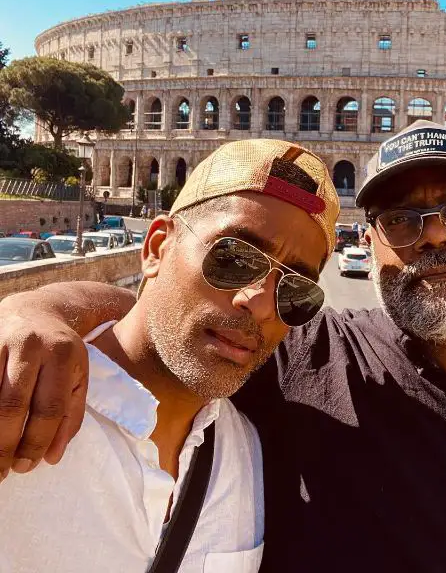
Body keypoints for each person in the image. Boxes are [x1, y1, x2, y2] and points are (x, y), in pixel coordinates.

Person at [0, 120, 446, 572]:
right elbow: (171, 322)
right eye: (404, 221)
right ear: (371, 245)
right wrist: (35, 308)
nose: (438, 235)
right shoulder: (293, 360)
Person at [0, 138, 338, 572]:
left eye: (294, 291)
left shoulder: (251, 454)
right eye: (233, 258)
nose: (259, 303)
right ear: (157, 248)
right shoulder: (17, 393)